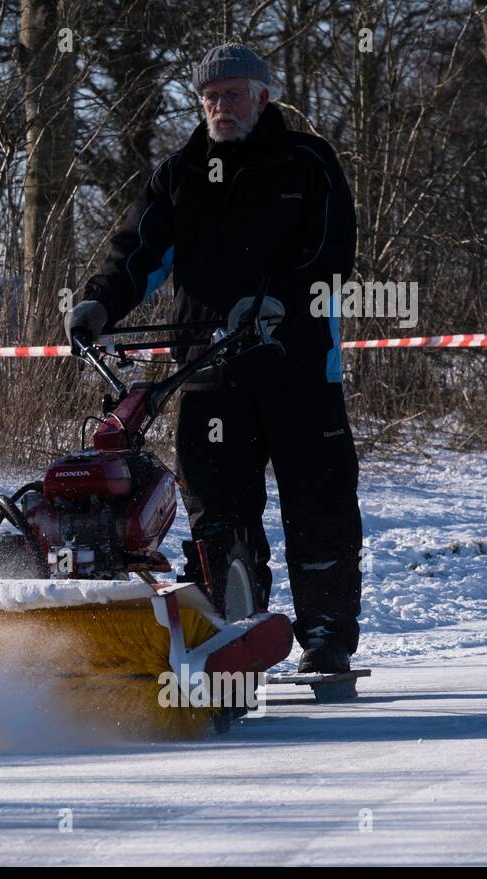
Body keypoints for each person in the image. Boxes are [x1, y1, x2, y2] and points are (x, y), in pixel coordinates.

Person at [65, 43, 362, 674]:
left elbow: (332, 254)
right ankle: (237, 632)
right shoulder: (180, 175)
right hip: (207, 371)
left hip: (300, 366)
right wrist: (98, 304)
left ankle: (326, 635)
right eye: (208, 97)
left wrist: (277, 301)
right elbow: (137, 254)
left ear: (262, 95)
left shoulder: (308, 162)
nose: (219, 107)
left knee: (320, 501)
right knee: (217, 509)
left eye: (231, 94)